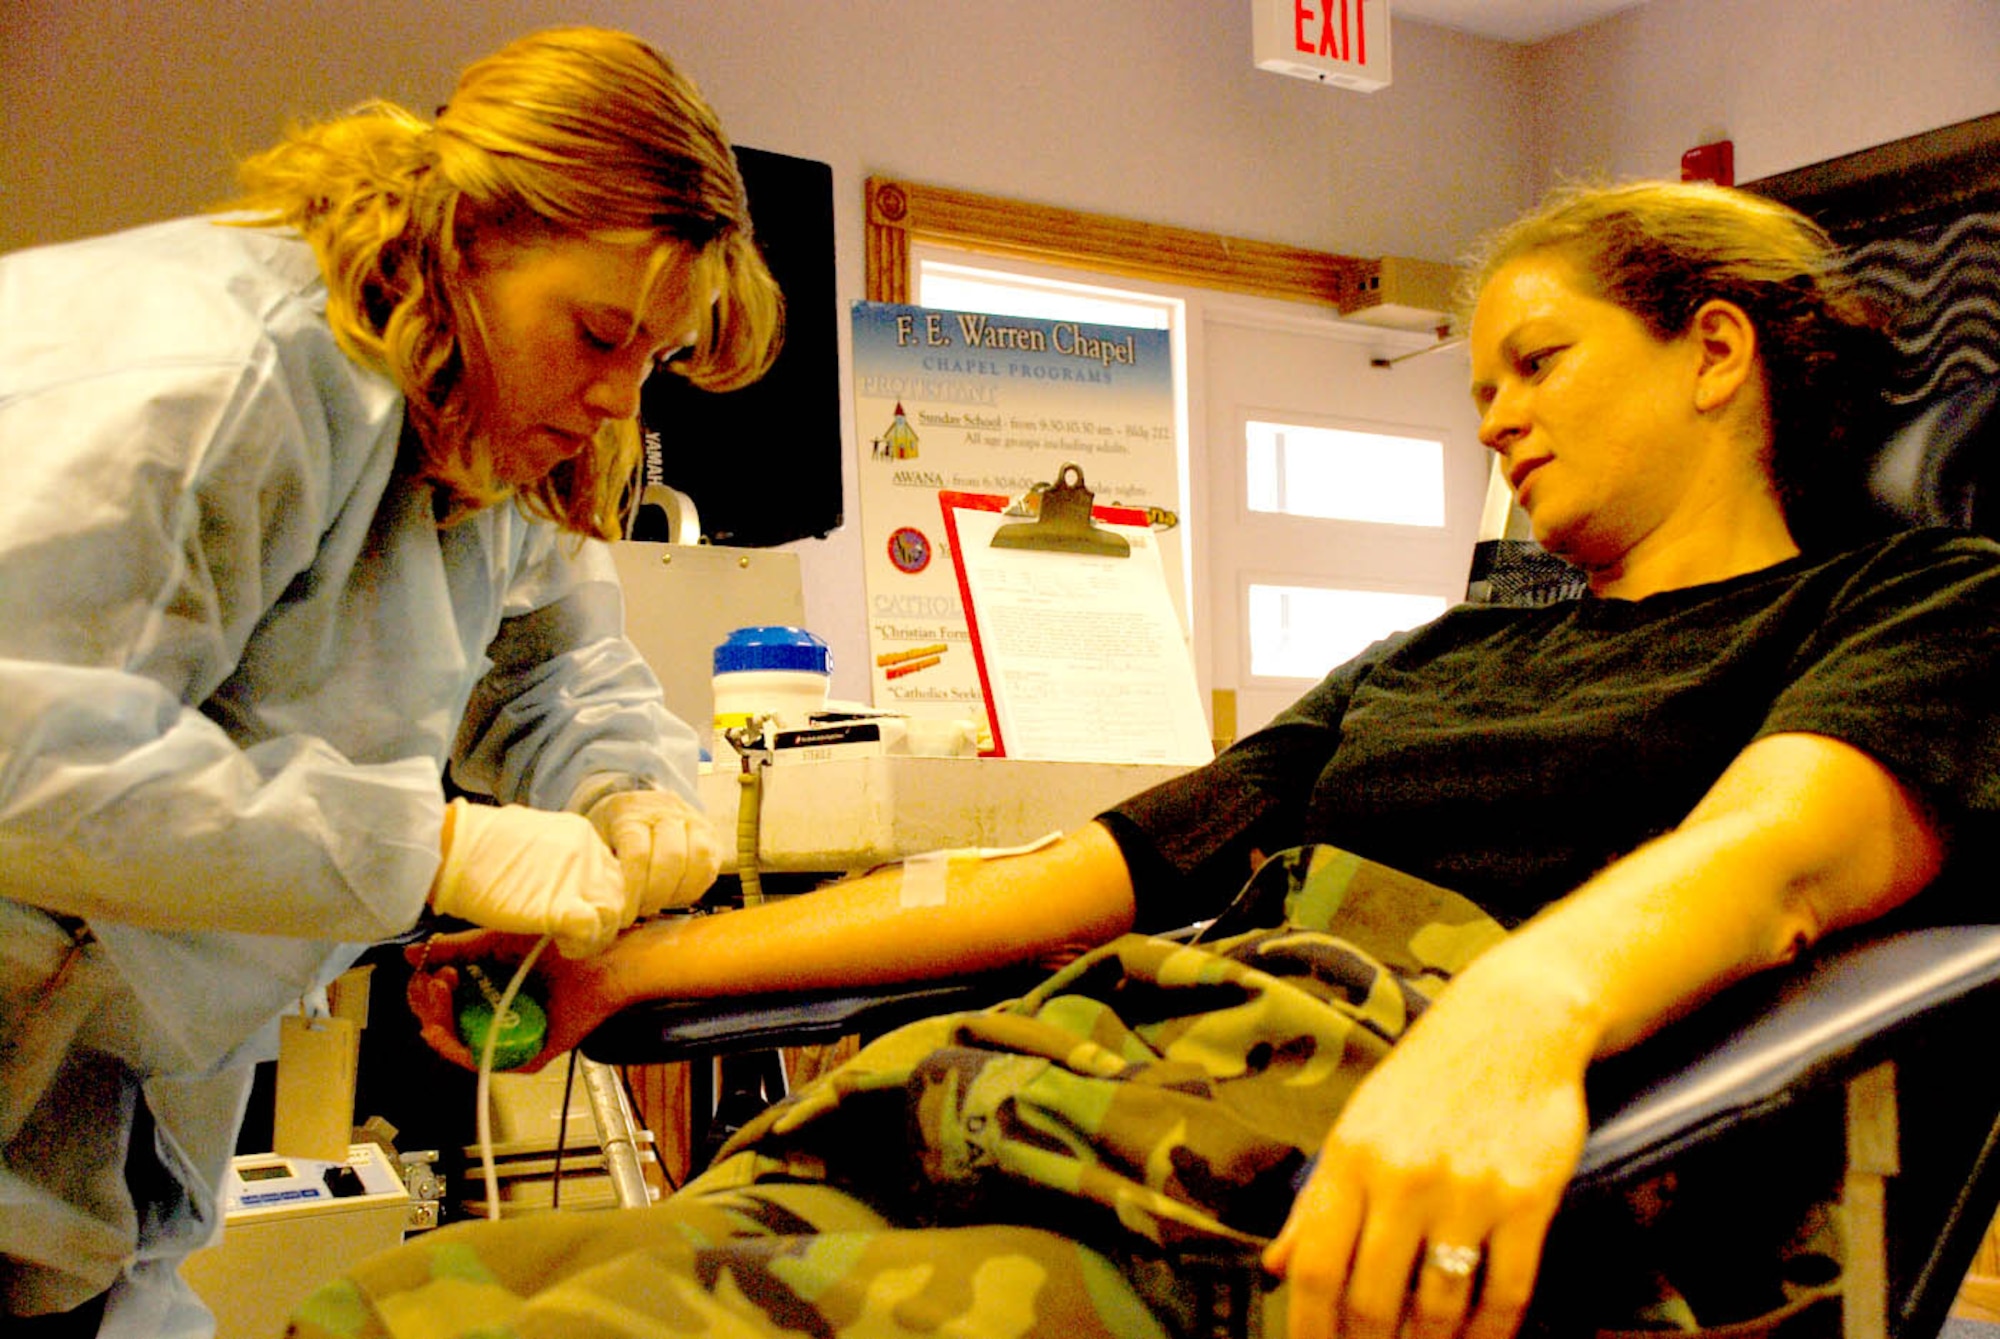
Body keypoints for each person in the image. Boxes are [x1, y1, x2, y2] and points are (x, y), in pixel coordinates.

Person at [372, 179, 2000, 1339]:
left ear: (1714, 351)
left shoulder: (1919, 598)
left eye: (1538, 363)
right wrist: (624, 967)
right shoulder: (1435, 660)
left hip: (1365, 1168)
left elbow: (1783, 854)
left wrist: (1515, 1022)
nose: (1494, 418)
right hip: (1103, 1097)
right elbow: (1074, 876)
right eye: (1481, 385)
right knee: (395, 1305)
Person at [0, 27, 781, 1337]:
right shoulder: (216, 375)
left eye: (650, 357)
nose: (617, 399)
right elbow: (30, 754)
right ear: (467, 238)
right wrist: (427, 849)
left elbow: (552, 667)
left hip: (98, 1113)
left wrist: (627, 787)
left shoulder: (489, 415)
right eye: (600, 334)